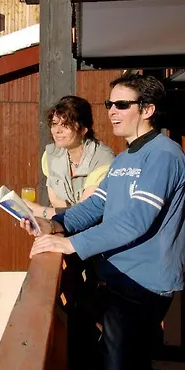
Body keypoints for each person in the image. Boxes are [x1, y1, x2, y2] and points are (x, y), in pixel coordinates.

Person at [22, 74, 185, 370]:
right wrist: (56, 224)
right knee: (84, 346)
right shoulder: (124, 159)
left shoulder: (163, 156)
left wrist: (71, 244)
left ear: (148, 110)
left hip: (142, 285)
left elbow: (136, 221)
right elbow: (96, 205)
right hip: (114, 279)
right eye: (110, 104)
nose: (111, 111)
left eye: (122, 104)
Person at [25, 95, 114, 220]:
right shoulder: (50, 155)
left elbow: (84, 212)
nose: (57, 130)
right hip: (63, 226)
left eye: (65, 125)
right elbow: (56, 202)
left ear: (83, 129)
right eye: (54, 124)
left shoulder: (103, 160)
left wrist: (39, 211)